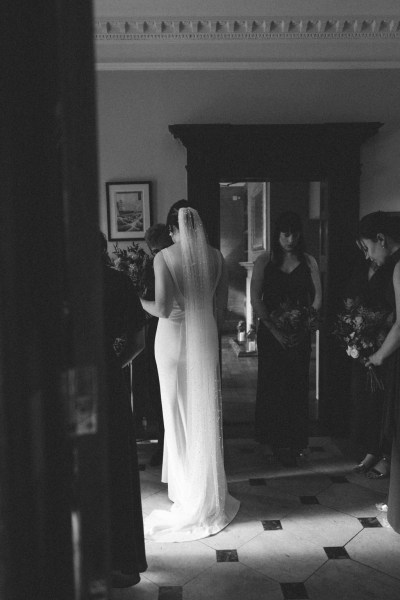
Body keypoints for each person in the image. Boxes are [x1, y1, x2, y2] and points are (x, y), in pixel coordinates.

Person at [140, 202, 240, 542]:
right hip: (205, 336)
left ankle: (186, 494)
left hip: (173, 344)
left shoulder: (164, 256)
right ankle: (206, 488)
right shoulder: (216, 257)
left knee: (176, 415)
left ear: (171, 230)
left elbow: (164, 309)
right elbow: (222, 308)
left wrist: (138, 301)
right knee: (203, 412)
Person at [250, 211, 322, 463]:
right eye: (285, 234)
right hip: (271, 333)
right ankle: (270, 440)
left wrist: (303, 324)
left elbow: (318, 298)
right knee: (271, 384)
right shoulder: (264, 261)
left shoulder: (309, 261)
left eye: (294, 234)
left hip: (299, 334)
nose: (290, 239)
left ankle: (296, 441)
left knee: (296, 384)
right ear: (277, 235)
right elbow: (255, 299)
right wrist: (274, 328)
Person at [100, 232, 147, 586]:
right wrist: (113, 367)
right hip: (110, 385)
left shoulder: (64, 286)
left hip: (74, 386)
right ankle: (124, 561)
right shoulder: (119, 283)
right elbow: (138, 343)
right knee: (117, 465)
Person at [359, 211, 400, 533]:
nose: (369, 255)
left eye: (369, 247)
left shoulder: (398, 265)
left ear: (382, 240)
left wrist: (379, 356)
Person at [345, 241, 393, 478]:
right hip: (362, 338)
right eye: (362, 249)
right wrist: (355, 332)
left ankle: (380, 453)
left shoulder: (392, 267)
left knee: (381, 401)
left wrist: (377, 337)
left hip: (385, 341)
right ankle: (366, 449)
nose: (367, 254)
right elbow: (352, 300)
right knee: (360, 396)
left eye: (368, 247)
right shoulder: (359, 268)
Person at [144, 223, 172, 466]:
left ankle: (168, 446)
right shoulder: (148, 266)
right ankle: (162, 444)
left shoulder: (171, 262)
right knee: (156, 392)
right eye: (154, 251)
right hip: (153, 332)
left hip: (168, 328)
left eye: (161, 248)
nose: (158, 254)